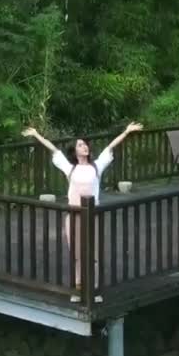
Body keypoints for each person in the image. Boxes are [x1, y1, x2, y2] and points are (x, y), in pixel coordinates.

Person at [22, 122, 143, 302]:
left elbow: (110, 147)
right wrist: (36, 135)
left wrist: (126, 132)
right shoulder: (70, 168)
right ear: (75, 151)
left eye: (85, 144)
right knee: (77, 254)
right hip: (74, 216)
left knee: (94, 253)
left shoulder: (96, 166)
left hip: (92, 216)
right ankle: (78, 288)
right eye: (80, 145)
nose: (84, 147)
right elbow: (54, 150)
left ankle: (94, 289)